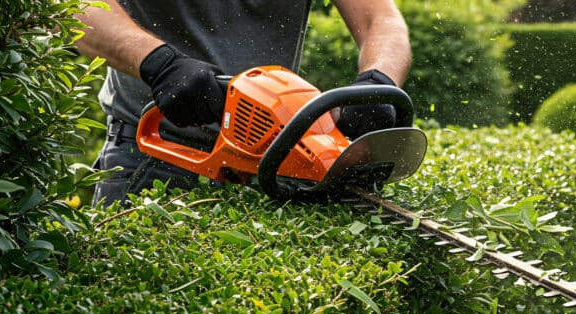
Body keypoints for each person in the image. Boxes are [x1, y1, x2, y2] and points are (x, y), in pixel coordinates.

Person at [73, 1, 412, 206]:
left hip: (276, 161)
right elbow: (78, 7)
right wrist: (159, 63)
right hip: (158, 154)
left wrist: (377, 81)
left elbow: (381, 19)